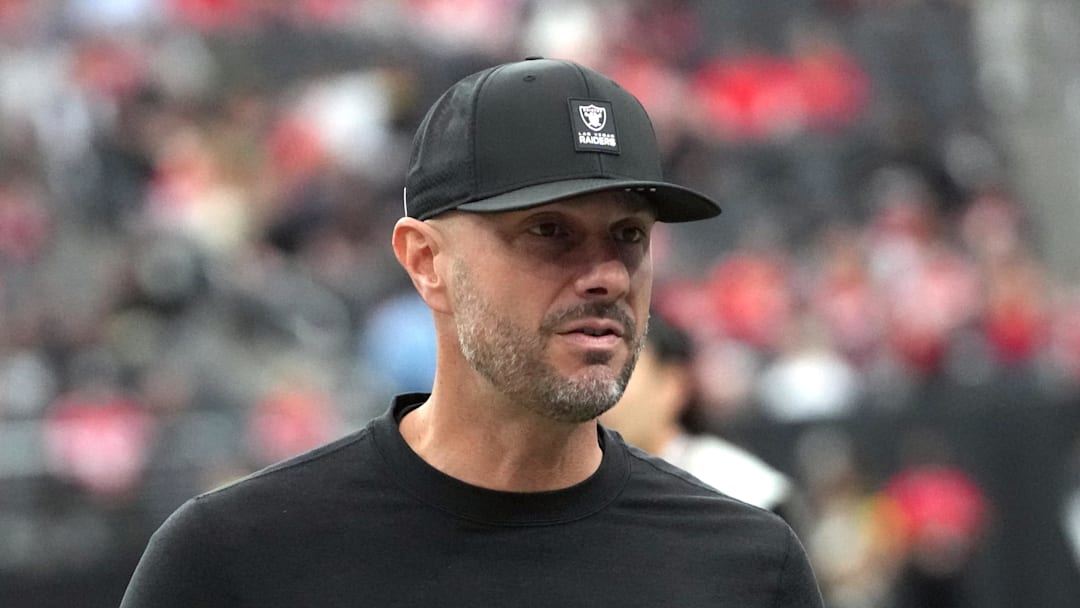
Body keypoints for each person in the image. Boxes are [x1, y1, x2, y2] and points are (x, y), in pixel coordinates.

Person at [120, 57, 823, 607]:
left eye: (629, 236)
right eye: (549, 232)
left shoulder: (746, 565)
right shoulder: (234, 558)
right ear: (426, 262)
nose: (606, 274)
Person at [600, 313, 802, 522]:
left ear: (672, 385)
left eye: (619, 373)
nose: (601, 391)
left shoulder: (741, 490)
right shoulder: (586, 487)